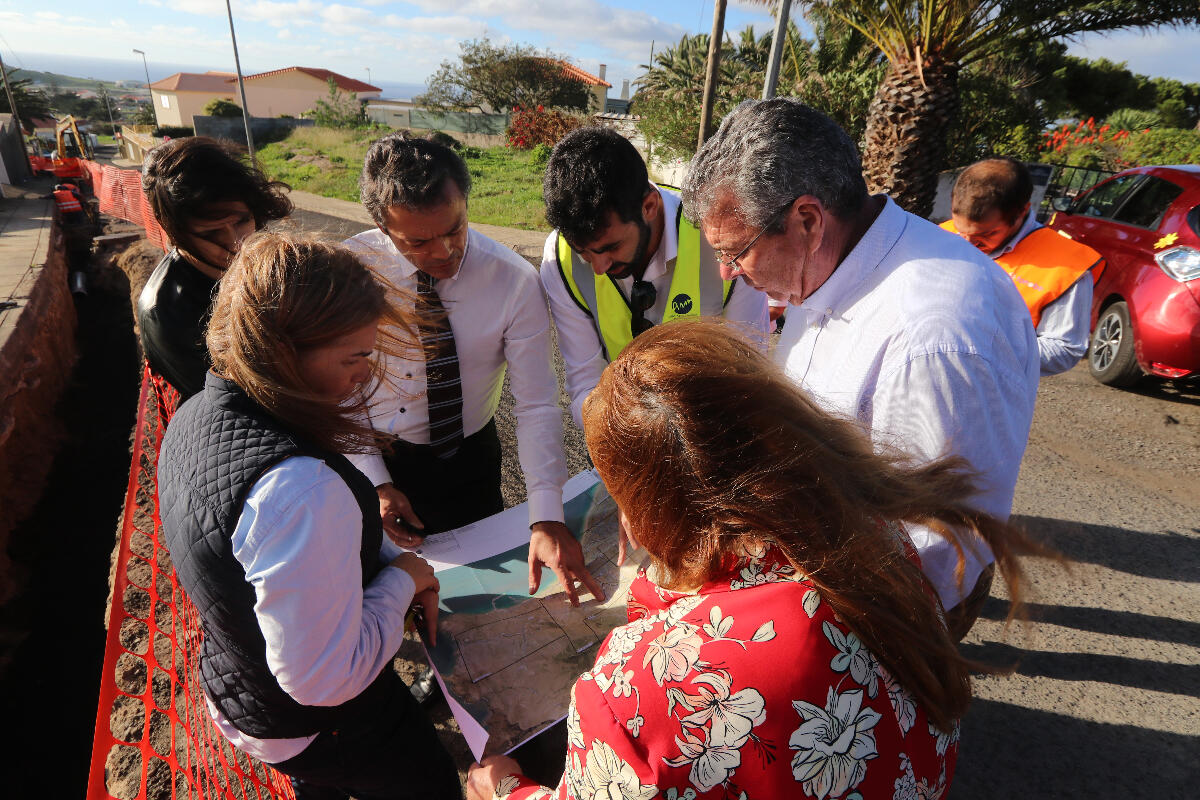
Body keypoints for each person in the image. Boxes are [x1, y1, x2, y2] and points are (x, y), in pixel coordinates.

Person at [466, 319, 1046, 800]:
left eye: (621, 495)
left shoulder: (636, 687)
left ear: (647, 511)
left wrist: (505, 790)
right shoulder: (871, 535)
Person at [681, 98, 1040, 638]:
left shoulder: (934, 334)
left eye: (736, 252)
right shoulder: (830, 260)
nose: (727, 274)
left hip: (885, 606)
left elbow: (936, 550)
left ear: (806, 219)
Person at [157, 232, 462, 800]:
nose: (364, 377)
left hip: (240, 689)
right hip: (320, 723)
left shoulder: (197, 414)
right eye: (354, 359)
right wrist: (404, 579)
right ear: (282, 354)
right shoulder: (299, 491)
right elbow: (324, 678)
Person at [343, 132, 601, 605]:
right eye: (418, 242)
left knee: (479, 591)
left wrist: (546, 515)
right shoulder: (350, 271)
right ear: (381, 226)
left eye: (455, 228)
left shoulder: (512, 281)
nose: (444, 252)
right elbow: (337, 390)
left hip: (470, 458)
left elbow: (536, 404)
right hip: (375, 453)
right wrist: (374, 481)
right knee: (387, 589)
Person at [540, 126, 770, 430]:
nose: (598, 267)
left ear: (649, 206)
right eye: (585, 252)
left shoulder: (720, 239)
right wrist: (629, 437)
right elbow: (585, 382)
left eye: (611, 247)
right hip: (621, 438)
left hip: (712, 434)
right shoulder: (560, 258)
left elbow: (751, 375)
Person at [138, 136, 292, 402]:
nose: (237, 243)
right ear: (175, 231)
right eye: (211, 234)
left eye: (243, 221)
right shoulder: (166, 314)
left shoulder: (269, 258)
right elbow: (233, 405)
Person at [942, 157, 1105, 376]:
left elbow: (1064, 348)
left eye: (987, 234)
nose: (968, 243)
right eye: (961, 230)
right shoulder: (941, 234)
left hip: (989, 393)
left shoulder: (1068, 266)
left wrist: (979, 350)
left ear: (1021, 212)